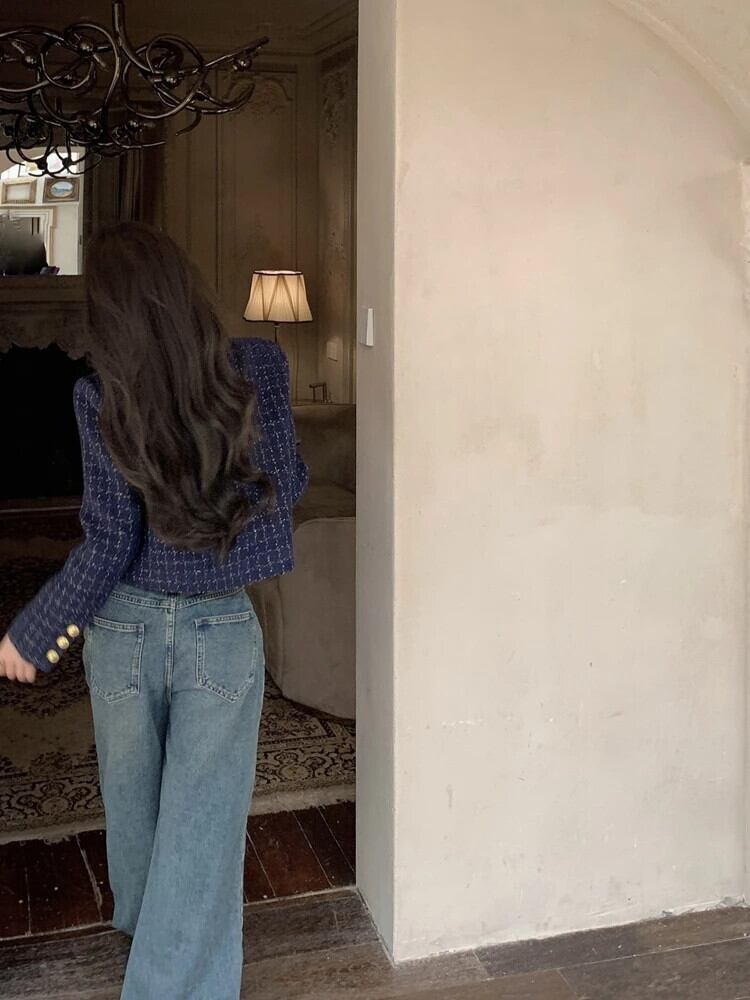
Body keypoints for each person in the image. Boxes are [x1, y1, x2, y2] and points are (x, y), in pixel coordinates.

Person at [0, 221, 310, 999]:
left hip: (125, 628)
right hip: (219, 624)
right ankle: (171, 974)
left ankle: (152, 957)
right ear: (183, 288)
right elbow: (289, 486)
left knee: (134, 806)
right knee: (203, 823)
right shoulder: (260, 368)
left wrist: (34, 632)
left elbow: (110, 540)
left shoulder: (99, 395)